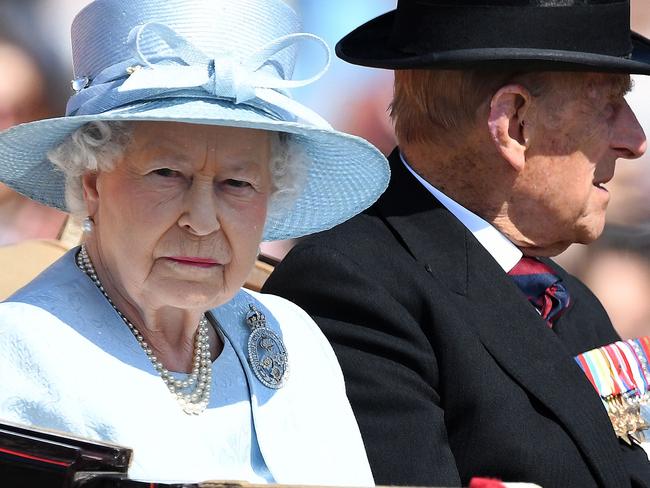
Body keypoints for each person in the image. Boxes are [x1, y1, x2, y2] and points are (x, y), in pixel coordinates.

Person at [0, 0, 390, 484]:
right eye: (167, 174)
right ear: (91, 183)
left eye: (238, 184)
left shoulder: (294, 335)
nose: (203, 221)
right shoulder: (18, 348)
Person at [263, 0, 650, 486]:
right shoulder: (352, 289)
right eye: (609, 103)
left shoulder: (568, 300)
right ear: (514, 123)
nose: (634, 139)